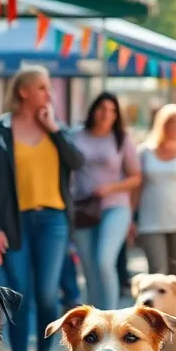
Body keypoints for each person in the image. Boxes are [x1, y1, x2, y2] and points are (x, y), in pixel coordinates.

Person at [0, 65, 84, 351]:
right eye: (42, 88)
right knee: (19, 296)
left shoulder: (56, 128)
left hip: (53, 221)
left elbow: (77, 162)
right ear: (23, 91)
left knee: (48, 295)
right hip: (15, 223)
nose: (48, 94)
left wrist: (54, 129)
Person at [71, 92, 142, 311]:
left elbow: (136, 177)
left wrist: (110, 188)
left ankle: (111, 317)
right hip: (82, 208)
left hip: (115, 207)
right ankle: (95, 320)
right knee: (90, 269)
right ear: (93, 110)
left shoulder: (121, 138)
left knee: (104, 261)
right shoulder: (76, 135)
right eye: (102, 108)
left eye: (112, 110)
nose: (106, 114)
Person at [137, 104, 176, 279]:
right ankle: (156, 307)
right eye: (172, 123)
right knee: (157, 272)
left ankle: (174, 307)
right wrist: (131, 217)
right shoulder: (144, 152)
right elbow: (136, 187)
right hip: (150, 220)